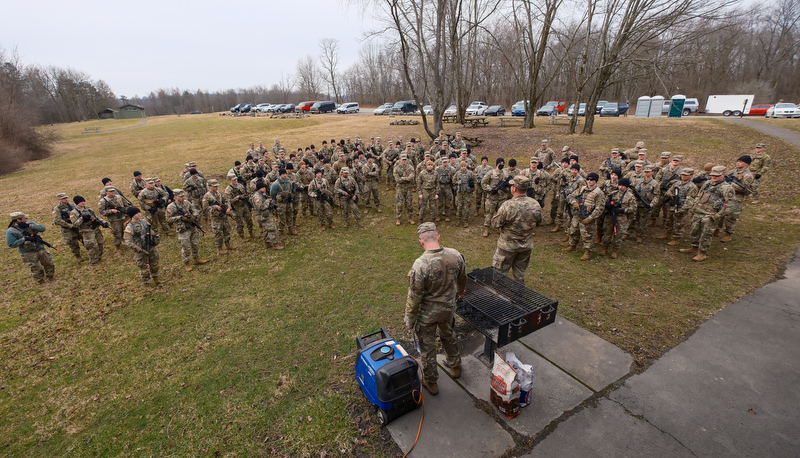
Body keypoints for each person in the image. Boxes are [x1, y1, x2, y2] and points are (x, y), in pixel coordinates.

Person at [404, 222, 467, 395]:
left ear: (421, 242)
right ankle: (455, 367)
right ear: (438, 237)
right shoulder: (455, 255)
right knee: (448, 335)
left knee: (428, 347)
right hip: (448, 310)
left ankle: (431, 383)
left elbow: (414, 297)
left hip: (427, 316)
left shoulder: (420, 265)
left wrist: (409, 320)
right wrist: (460, 292)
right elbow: (463, 278)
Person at [491, 176, 542, 283]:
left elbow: (495, 224)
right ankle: (518, 297)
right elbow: (539, 222)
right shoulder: (535, 204)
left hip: (507, 247)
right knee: (519, 275)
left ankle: (498, 296)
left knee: (498, 275)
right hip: (525, 246)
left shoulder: (508, 205)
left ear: (514, 189)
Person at [680, 166, 734, 262]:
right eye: (713, 175)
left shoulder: (726, 188)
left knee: (706, 234)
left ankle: (703, 252)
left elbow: (729, 205)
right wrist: (694, 207)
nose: (714, 177)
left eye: (717, 176)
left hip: (711, 214)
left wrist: (717, 216)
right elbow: (699, 195)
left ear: (723, 175)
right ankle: (694, 247)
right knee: (694, 231)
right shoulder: (707, 183)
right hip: (699, 211)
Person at [564, 172, 606, 260]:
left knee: (587, 235)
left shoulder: (599, 193)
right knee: (573, 230)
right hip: (577, 215)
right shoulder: (582, 189)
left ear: (596, 181)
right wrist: (574, 202)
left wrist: (590, 218)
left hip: (588, 216)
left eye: (592, 180)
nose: (589, 181)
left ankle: (587, 251)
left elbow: (600, 208)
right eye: (588, 179)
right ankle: (573, 246)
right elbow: (570, 196)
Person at [6, 212, 55, 284]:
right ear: (18, 220)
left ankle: (51, 277)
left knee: (48, 263)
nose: (27, 218)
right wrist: (24, 239)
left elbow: (42, 228)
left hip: (40, 248)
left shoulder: (28, 224)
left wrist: (29, 226)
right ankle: (41, 282)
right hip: (28, 253)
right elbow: (11, 244)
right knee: (36, 268)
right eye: (24, 218)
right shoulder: (11, 231)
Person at [166, 189, 208, 271]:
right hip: (183, 229)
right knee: (186, 247)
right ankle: (187, 263)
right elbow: (168, 219)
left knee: (195, 244)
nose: (182, 197)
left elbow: (194, 210)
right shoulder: (171, 207)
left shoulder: (187, 203)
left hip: (192, 226)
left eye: (183, 196)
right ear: (175, 197)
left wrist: (193, 216)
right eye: (180, 196)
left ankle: (196, 259)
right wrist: (180, 218)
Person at [719, 155, 755, 243]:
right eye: (738, 161)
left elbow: (743, 188)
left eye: (741, 162)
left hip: (736, 197)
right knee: (720, 212)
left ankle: (728, 234)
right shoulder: (734, 171)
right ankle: (717, 229)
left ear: (746, 164)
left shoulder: (748, 175)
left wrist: (730, 184)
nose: (738, 163)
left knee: (731, 215)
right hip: (726, 195)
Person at [599, 178, 636, 259]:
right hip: (610, 217)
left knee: (618, 235)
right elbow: (604, 201)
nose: (621, 187)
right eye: (620, 185)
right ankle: (605, 248)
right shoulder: (613, 193)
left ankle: (615, 250)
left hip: (621, 218)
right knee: (607, 233)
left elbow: (633, 208)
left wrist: (622, 210)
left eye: (623, 186)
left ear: (626, 187)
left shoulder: (630, 196)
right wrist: (608, 205)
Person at [123, 207, 160, 286]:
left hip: (150, 247)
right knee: (144, 269)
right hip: (140, 251)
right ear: (132, 215)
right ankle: (147, 284)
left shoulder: (144, 222)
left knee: (154, 264)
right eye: (137, 213)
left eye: (139, 212)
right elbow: (128, 242)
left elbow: (151, 231)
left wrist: (154, 239)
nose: (139, 214)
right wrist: (139, 250)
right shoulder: (129, 228)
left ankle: (156, 278)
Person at [70, 196, 109, 265]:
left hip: (95, 229)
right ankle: (94, 261)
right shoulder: (74, 213)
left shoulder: (89, 210)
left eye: (83, 201)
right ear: (76, 203)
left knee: (100, 243)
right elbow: (75, 225)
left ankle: (99, 257)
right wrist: (82, 218)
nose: (83, 202)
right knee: (92, 246)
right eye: (80, 202)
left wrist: (103, 222)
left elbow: (96, 217)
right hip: (87, 231)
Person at [203, 179, 235, 254]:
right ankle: (220, 248)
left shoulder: (219, 194)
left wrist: (228, 208)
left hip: (223, 216)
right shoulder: (207, 196)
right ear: (210, 187)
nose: (216, 187)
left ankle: (228, 245)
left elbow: (226, 201)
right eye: (214, 186)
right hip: (216, 218)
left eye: (217, 186)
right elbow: (205, 208)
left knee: (226, 230)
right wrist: (215, 207)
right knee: (218, 233)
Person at [52, 192, 85, 262]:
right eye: (63, 198)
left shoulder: (72, 205)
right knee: (73, 243)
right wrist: (70, 226)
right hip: (67, 229)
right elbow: (58, 220)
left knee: (83, 238)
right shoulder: (57, 209)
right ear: (59, 200)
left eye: (66, 198)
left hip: (77, 225)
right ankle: (77, 256)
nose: (65, 199)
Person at [251, 180, 284, 249]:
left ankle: (267, 243)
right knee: (272, 229)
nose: (264, 188)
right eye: (263, 187)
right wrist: (268, 201)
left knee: (266, 230)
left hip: (266, 214)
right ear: (259, 189)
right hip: (263, 216)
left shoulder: (262, 194)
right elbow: (261, 207)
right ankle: (275, 245)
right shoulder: (257, 197)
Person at [98, 185, 130, 252]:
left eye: (113, 191)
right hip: (114, 220)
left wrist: (126, 211)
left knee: (126, 230)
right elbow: (102, 212)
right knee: (116, 233)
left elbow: (126, 205)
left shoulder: (119, 197)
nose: (112, 192)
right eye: (110, 191)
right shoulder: (103, 201)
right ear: (106, 192)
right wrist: (111, 211)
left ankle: (126, 241)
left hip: (124, 217)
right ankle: (117, 246)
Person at [481, 158, 507, 237]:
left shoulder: (505, 173)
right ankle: (486, 229)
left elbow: (509, 183)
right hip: (492, 197)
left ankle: (499, 227)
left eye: (503, 163)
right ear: (497, 164)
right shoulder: (491, 173)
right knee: (489, 213)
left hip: (502, 197)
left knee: (501, 214)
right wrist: (490, 189)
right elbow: (483, 183)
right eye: (501, 163)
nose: (502, 165)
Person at [225, 175, 255, 242]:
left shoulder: (240, 186)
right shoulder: (228, 190)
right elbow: (229, 201)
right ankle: (242, 236)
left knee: (249, 220)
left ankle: (251, 232)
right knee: (240, 223)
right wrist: (237, 198)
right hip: (237, 208)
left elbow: (245, 194)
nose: (235, 181)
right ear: (229, 180)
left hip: (244, 206)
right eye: (233, 180)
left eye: (236, 179)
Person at [270, 169, 297, 235]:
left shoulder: (288, 182)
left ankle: (290, 230)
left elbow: (290, 190)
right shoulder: (275, 184)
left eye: (285, 174)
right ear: (280, 175)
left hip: (288, 202)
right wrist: (277, 200)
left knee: (289, 216)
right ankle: (281, 231)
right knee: (281, 218)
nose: (285, 175)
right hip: (281, 204)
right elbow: (272, 194)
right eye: (283, 174)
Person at [393, 154, 416, 225]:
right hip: (400, 188)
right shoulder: (396, 168)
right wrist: (407, 178)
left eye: (405, 160)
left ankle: (410, 218)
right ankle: (398, 218)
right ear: (400, 160)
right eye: (402, 160)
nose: (404, 161)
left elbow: (412, 177)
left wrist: (402, 178)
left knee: (409, 204)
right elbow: (397, 180)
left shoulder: (410, 167)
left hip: (408, 188)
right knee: (399, 204)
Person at [453, 161, 475, 228]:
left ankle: (466, 221)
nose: (463, 168)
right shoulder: (457, 173)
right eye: (462, 166)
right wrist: (457, 182)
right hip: (460, 193)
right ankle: (458, 219)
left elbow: (475, 180)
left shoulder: (470, 173)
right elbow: (453, 181)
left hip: (467, 193)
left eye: (464, 166)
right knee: (459, 207)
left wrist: (472, 183)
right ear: (460, 167)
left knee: (466, 208)